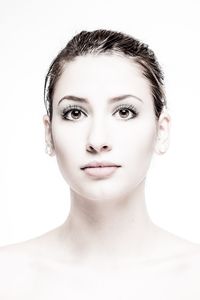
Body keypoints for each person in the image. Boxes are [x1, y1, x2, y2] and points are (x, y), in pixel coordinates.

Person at [0, 29, 200, 299]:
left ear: (161, 131)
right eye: (74, 113)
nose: (97, 140)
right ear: (49, 132)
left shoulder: (194, 278)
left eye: (124, 112)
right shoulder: (8, 276)